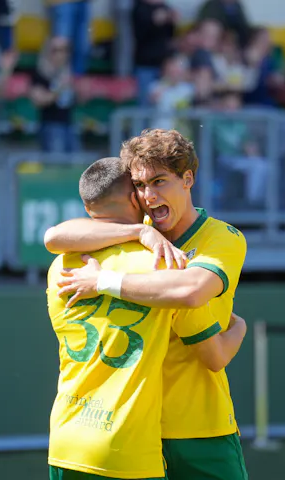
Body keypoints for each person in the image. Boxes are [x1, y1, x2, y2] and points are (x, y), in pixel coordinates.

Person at [45, 129, 250, 479]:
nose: (149, 196)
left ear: (188, 179)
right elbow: (53, 236)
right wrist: (138, 232)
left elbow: (191, 290)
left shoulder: (222, 238)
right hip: (133, 429)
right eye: (139, 186)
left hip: (197, 425)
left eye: (159, 181)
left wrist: (104, 282)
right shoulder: (138, 236)